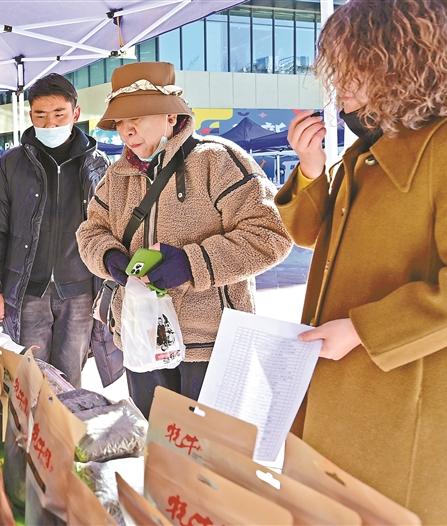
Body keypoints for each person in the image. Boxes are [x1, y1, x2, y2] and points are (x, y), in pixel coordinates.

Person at [275, 1, 447, 523]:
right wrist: (310, 168)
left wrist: (363, 330)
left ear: (405, 62)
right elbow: (307, 235)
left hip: (412, 399)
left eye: (355, 66)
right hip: (348, 388)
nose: (340, 84)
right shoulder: (373, 148)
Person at [76, 62, 292, 415]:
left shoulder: (217, 160)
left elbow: (271, 234)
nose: (127, 130)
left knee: (206, 445)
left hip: (212, 344)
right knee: (153, 439)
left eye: (138, 117)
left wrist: (193, 264)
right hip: (141, 338)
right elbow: (90, 231)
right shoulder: (116, 176)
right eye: (120, 121)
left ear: (171, 117)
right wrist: (109, 256)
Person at [0, 73, 109, 388]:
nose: (50, 124)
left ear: (76, 113)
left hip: (80, 292)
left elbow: (108, 228)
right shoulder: (11, 164)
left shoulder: (97, 165)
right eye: (40, 115)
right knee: (29, 378)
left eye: (59, 114)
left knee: (70, 380)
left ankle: (65, 421)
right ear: (30, 116)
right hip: (28, 290)